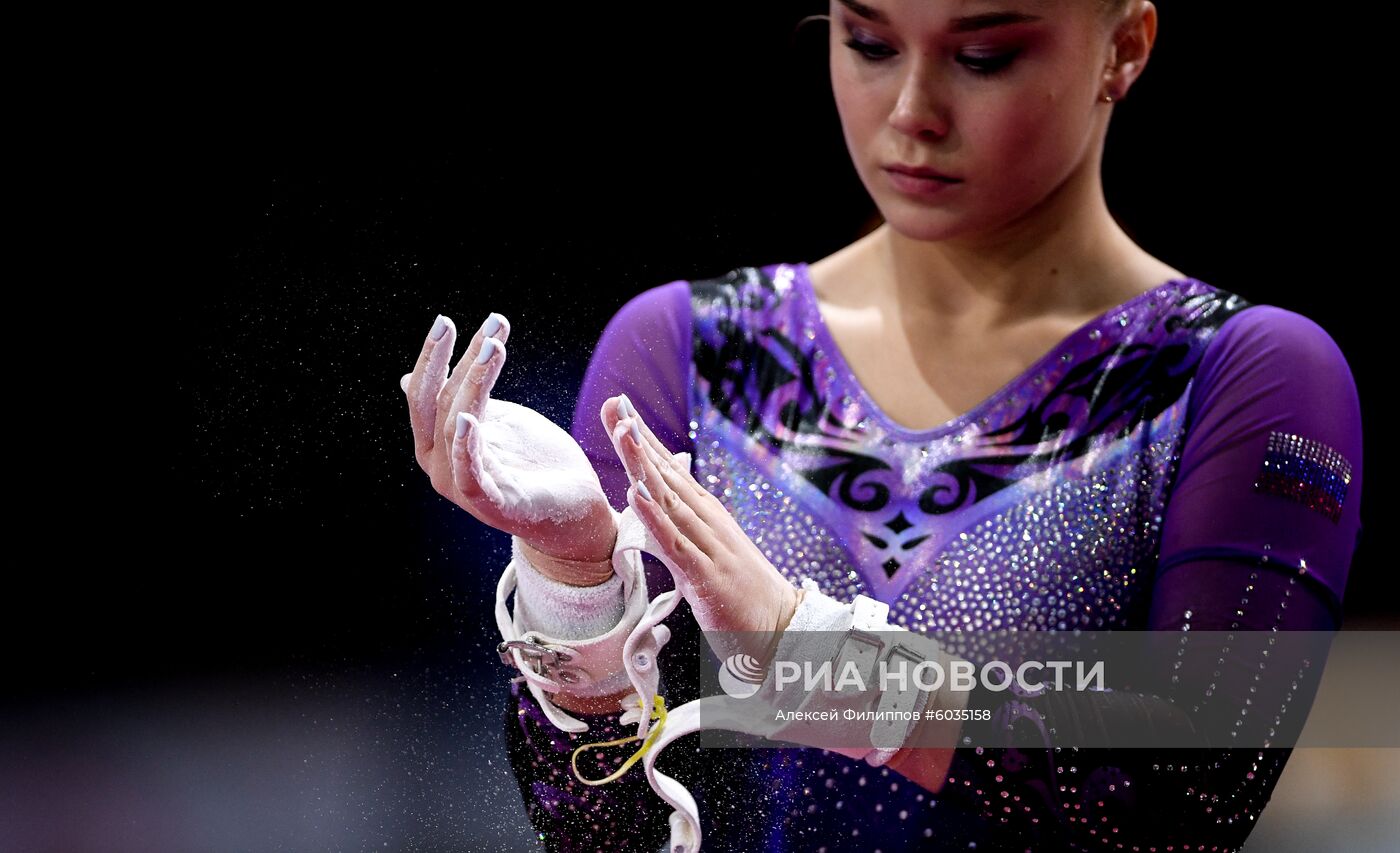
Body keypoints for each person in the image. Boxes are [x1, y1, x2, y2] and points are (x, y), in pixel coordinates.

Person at [399, 1, 1364, 850]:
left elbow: (1193, 790)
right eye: (867, 41)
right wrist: (575, 582)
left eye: (982, 57)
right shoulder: (685, 351)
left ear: (1123, 47)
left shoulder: (1247, 375)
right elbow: (604, 832)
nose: (911, 113)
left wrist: (808, 652)